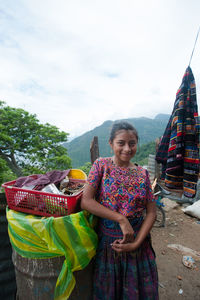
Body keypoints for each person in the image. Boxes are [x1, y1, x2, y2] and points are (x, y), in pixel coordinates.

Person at [81, 121, 159, 300]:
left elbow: (152, 212)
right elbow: (86, 201)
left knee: (137, 291)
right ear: (111, 144)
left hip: (139, 243)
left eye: (132, 143)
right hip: (110, 245)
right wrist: (121, 220)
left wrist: (137, 243)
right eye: (121, 143)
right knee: (110, 292)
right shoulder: (102, 166)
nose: (127, 148)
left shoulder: (143, 174)